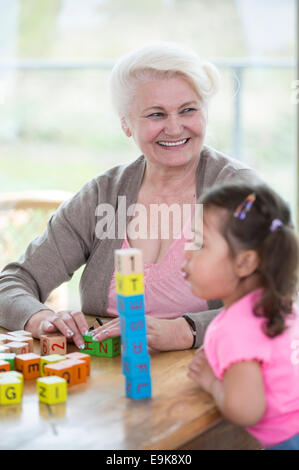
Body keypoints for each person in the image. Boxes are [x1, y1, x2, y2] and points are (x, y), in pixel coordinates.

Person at [0, 42, 261, 351]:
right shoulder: (102, 195)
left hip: (213, 372)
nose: (175, 127)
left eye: (188, 109)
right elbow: (13, 283)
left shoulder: (240, 189)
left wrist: (187, 330)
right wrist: (40, 317)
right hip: (108, 378)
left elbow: (279, 298)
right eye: (155, 114)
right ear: (126, 124)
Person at [184, 182, 299, 450]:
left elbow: (247, 410)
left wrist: (211, 382)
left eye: (201, 243)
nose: (187, 250)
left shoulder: (234, 329)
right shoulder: (281, 304)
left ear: (245, 262)